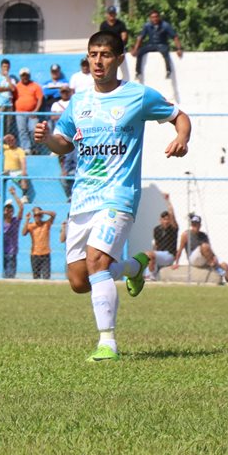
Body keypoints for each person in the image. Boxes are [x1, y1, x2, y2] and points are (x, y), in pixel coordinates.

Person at [34, 30, 191, 361]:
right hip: (83, 198)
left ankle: (107, 343)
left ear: (119, 59)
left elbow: (179, 116)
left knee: (96, 261)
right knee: (79, 279)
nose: (98, 61)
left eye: (105, 55)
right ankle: (136, 266)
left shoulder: (138, 96)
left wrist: (182, 139)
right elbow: (64, 143)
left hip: (119, 195)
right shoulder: (79, 102)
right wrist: (48, 138)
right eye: (93, 54)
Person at [132, 10, 182, 83]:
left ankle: (168, 71)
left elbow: (175, 37)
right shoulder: (147, 25)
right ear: (150, 18)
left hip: (162, 44)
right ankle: (138, 72)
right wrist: (135, 49)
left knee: (165, 52)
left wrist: (179, 48)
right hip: (151, 44)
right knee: (140, 52)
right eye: (152, 17)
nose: (154, 19)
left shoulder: (165, 25)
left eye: (156, 17)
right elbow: (140, 37)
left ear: (159, 17)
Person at [0, 132, 31, 203]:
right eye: (8, 141)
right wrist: (3, 138)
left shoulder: (19, 150)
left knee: (24, 177)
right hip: (6, 172)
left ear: (15, 141)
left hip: (16, 171)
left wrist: (24, 171)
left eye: (11, 140)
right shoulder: (5, 148)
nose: (10, 142)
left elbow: (23, 162)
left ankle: (24, 196)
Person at [146, 195, 179, 279]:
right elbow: (155, 245)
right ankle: (149, 276)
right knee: (147, 256)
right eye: (164, 219)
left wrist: (168, 201)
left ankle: (151, 275)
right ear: (160, 220)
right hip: (159, 254)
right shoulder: (156, 229)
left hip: (169, 255)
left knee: (149, 254)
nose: (166, 221)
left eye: (168, 219)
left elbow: (172, 213)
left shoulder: (173, 229)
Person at [0, 190, 25, 279]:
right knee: (2, 274)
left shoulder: (15, 221)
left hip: (12, 251)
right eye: (7, 211)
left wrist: (14, 194)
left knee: (10, 274)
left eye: (11, 211)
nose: (9, 213)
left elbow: (21, 207)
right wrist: (2, 221)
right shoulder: (0, 222)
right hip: (2, 251)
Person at [13, 67, 43, 150]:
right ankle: (26, 149)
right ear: (20, 76)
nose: (25, 77)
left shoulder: (35, 86)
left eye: (26, 75)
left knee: (33, 130)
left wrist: (36, 111)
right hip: (19, 113)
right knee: (22, 131)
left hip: (32, 113)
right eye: (23, 75)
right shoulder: (17, 86)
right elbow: (13, 99)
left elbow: (40, 99)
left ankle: (35, 148)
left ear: (29, 76)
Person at [24, 207, 57, 279]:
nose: (37, 217)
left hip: (45, 254)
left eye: (39, 215)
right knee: (36, 277)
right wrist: (27, 220)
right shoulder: (31, 225)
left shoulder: (46, 224)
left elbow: (54, 214)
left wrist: (42, 211)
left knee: (46, 276)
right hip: (34, 254)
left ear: (41, 216)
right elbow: (24, 233)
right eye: (35, 215)